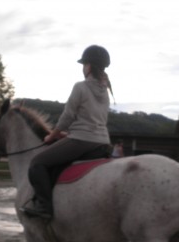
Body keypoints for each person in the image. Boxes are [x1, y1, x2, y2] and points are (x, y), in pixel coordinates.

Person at [22, 45, 113, 219]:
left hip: (82, 140)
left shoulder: (80, 87)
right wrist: (68, 135)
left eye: (84, 64)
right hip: (102, 141)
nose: (83, 68)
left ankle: (44, 206)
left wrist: (52, 135)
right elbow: (96, 120)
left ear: (89, 66)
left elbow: (67, 116)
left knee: (37, 163)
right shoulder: (105, 91)